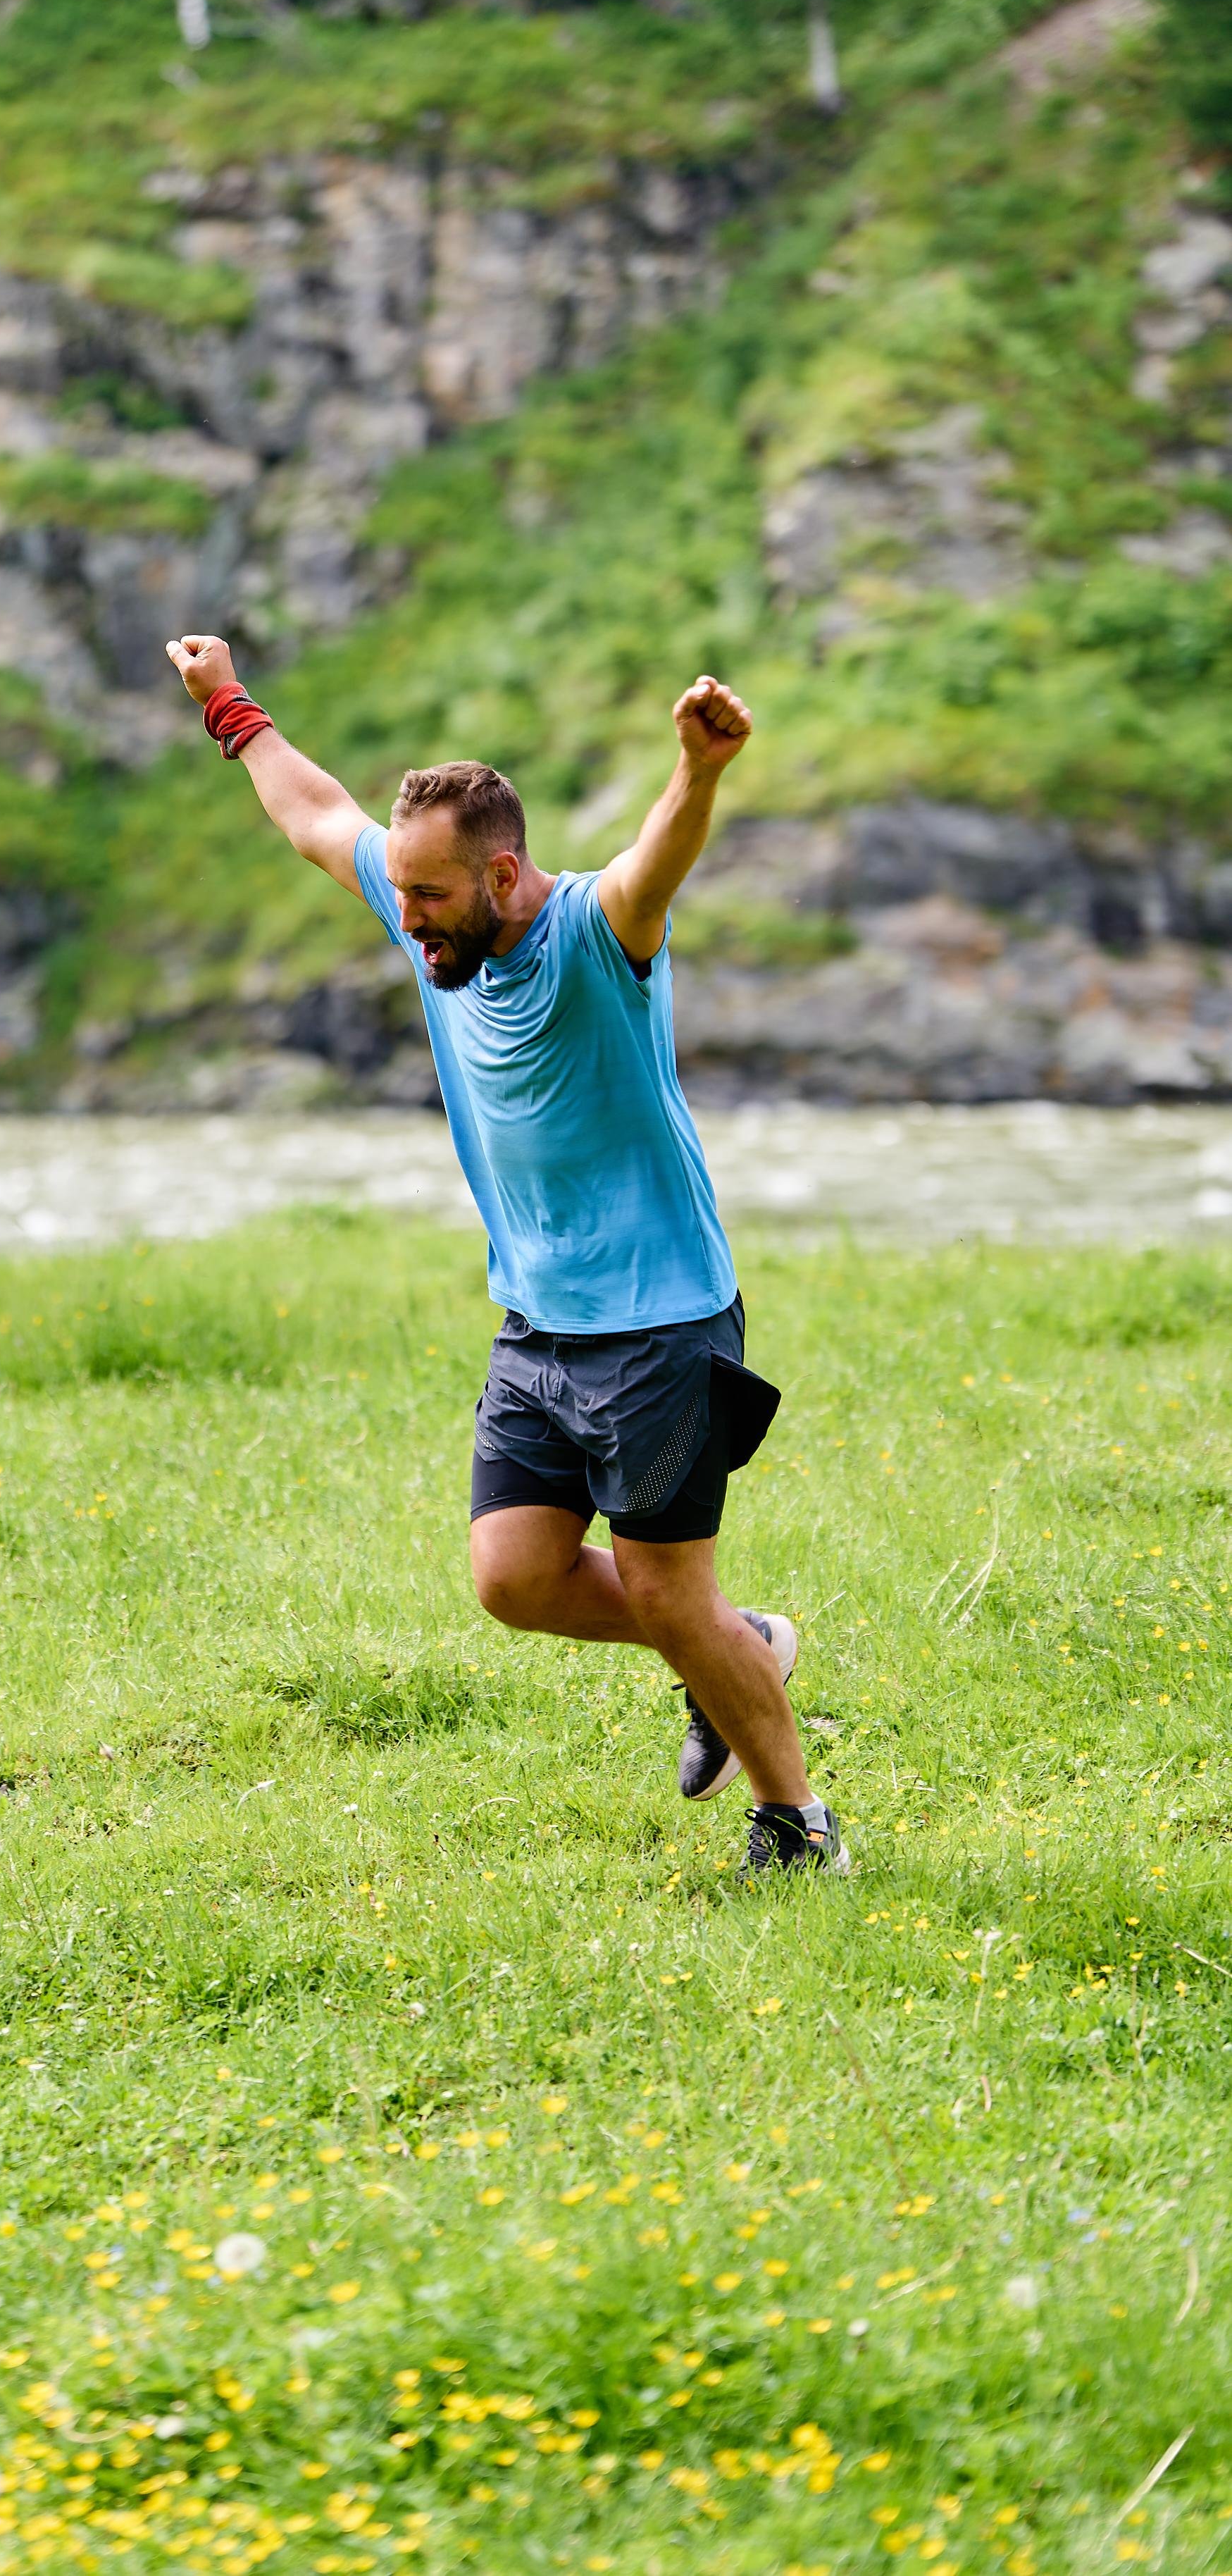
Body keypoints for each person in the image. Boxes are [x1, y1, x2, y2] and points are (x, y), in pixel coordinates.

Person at [164, 633, 846, 1878]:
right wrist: (227, 702)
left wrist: (697, 773)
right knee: (514, 1576)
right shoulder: (426, 907)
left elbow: (655, 865)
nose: (405, 918)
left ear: (504, 873)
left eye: (427, 898)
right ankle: (733, 1645)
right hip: (538, 1320)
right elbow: (317, 815)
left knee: (661, 1585)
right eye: (401, 893)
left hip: (662, 1323)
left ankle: (799, 1826)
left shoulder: (598, 935)